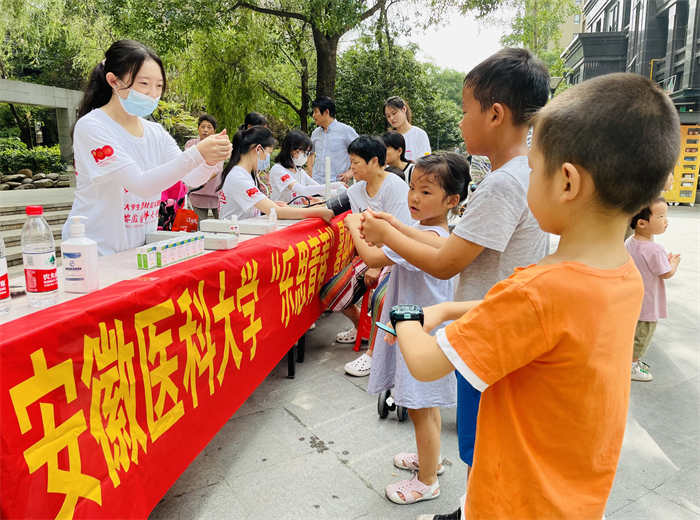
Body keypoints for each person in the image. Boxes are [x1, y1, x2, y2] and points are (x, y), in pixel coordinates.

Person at [390, 72, 679, 520]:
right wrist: (446, 308)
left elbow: (426, 363)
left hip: (511, 501)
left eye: (533, 168)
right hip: (576, 496)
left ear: (566, 183)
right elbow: (540, 318)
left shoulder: (536, 291)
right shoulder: (622, 273)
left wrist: (407, 319)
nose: (526, 181)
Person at [360, 48, 550, 519]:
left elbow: (445, 262)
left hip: (488, 332)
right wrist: (397, 227)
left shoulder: (502, 185)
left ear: (495, 114)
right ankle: (471, 505)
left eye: (466, 111)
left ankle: (472, 509)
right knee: (482, 437)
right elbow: (453, 244)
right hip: (499, 326)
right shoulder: (524, 173)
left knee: (479, 439)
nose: (461, 121)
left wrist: (386, 235)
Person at [345, 154, 470, 505]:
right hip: (421, 328)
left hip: (422, 333)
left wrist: (353, 225)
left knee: (420, 406)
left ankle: (427, 481)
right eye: (413, 188)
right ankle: (430, 458)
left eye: (426, 192)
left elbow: (372, 257)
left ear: (452, 201)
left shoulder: (426, 236)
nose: (414, 197)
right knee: (424, 406)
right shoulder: (433, 233)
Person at [65, 39, 231, 256]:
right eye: (144, 84)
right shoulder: (92, 127)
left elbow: (190, 178)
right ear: (113, 81)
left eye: (159, 86)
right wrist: (197, 153)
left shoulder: (154, 132)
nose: (153, 93)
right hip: (96, 250)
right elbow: (141, 184)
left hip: (140, 251)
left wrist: (209, 160)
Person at [325, 136, 413, 351]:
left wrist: (377, 265)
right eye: (351, 162)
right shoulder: (356, 191)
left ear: (374, 161)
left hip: (397, 257)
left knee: (380, 299)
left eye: (355, 162)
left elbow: (401, 234)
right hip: (370, 255)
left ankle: (376, 353)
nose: (351, 168)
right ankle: (362, 327)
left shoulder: (395, 186)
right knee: (332, 293)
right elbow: (359, 230)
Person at [218, 126, 333, 221]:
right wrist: (318, 212)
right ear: (258, 149)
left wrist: (272, 204)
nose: (268, 158)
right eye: (268, 153)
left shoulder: (244, 174)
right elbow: (276, 212)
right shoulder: (239, 177)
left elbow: (260, 207)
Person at [626, 198, 681, 381]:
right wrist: (673, 262)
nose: (666, 221)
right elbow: (666, 273)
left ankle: (628, 362)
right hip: (648, 304)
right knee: (642, 337)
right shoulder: (655, 249)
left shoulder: (630, 241)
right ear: (642, 223)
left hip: (632, 300)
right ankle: (631, 367)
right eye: (661, 217)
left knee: (631, 334)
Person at [269, 130, 344, 203]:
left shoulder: (299, 171)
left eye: (307, 152)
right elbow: (303, 190)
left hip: (298, 209)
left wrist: (341, 193)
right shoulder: (278, 170)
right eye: (302, 152)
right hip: (282, 210)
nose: (305, 155)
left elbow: (320, 189)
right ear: (290, 150)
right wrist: (334, 185)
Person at [185, 114, 225, 221]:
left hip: (216, 194)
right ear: (198, 129)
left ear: (214, 130)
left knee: (221, 226)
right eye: (202, 127)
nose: (205, 130)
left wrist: (203, 177)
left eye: (209, 127)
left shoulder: (220, 146)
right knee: (200, 226)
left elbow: (217, 169)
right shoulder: (191, 144)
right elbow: (188, 165)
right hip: (196, 194)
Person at [310, 97, 358, 184]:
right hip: (316, 184)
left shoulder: (346, 131)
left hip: (337, 184)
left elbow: (363, 153)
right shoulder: (315, 133)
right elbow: (310, 154)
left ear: (326, 112)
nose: (313, 115)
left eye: (316, 112)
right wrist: (310, 173)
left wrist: (350, 172)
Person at [384, 96, 431, 161]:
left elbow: (426, 162)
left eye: (394, 113)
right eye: (388, 116)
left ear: (404, 109)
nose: (391, 118)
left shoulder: (420, 134)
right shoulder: (388, 139)